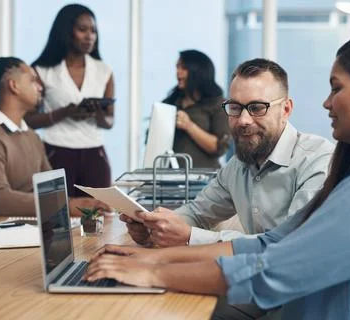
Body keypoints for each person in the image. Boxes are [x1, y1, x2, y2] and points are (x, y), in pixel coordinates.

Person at [84, 31, 350, 319]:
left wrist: (153, 274)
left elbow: (269, 272)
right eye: (236, 108)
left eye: (336, 88)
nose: (326, 102)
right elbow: (264, 244)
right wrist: (152, 258)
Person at [123, 58, 334, 248]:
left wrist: (190, 236)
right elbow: (197, 213)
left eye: (257, 107)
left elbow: (292, 242)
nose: (243, 120)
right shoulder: (238, 166)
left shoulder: (317, 160)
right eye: (235, 107)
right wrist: (154, 226)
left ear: (286, 110)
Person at [0, 57, 110, 220]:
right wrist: (66, 205)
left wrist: (80, 204)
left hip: (30, 228)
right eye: (33, 80)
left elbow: (53, 191)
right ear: (14, 86)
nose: (40, 87)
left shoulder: (32, 136)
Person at [24, 4, 115, 197]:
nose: (89, 36)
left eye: (93, 31)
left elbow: (109, 122)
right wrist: (65, 112)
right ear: (66, 31)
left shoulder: (104, 70)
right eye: (82, 30)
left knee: (99, 217)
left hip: (95, 155)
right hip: (55, 154)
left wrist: (95, 112)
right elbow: (28, 120)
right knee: (56, 217)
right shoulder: (42, 70)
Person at [162, 49, 230, 169]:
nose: (178, 72)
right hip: (170, 180)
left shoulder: (217, 104)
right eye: (177, 67)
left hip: (205, 180)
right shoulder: (170, 104)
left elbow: (219, 147)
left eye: (183, 68)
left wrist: (189, 126)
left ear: (198, 72)